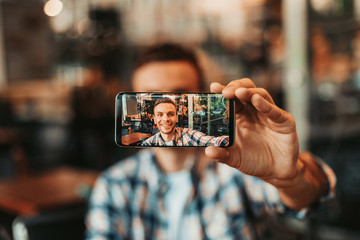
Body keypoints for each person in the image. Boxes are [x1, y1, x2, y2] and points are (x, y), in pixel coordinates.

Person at [85, 43, 336, 239]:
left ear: (198, 97)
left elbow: (311, 194)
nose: (166, 110)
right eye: (153, 98)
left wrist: (290, 177)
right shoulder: (114, 186)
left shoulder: (236, 166)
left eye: (180, 95)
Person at [141, 97, 229, 147]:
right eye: (160, 115)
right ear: (154, 119)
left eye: (170, 114)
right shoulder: (147, 144)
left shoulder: (190, 135)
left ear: (177, 118)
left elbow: (214, 141)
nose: (165, 119)